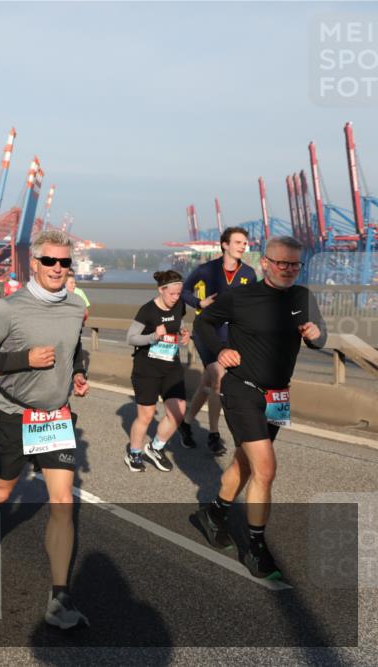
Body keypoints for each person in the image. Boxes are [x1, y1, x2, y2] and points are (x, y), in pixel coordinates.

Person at [0, 229, 90, 629]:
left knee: (63, 502)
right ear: (34, 263)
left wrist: (80, 372)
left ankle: (59, 599)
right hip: (15, 414)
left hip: (55, 416)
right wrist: (24, 359)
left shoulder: (74, 306)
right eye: (49, 261)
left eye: (64, 262)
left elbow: (74, 347)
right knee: (2, 490)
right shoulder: (9, 307)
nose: (57, 268)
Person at [193, 236, 325, 580]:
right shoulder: (240, 296)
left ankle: (214, 513)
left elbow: (320, 336)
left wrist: (314, 334)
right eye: (281, 263)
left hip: (278, 395)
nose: (288, 269)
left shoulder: (301, 297)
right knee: (265, 468)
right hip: (242, 391)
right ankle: (255, 547)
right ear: (265, 262)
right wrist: (220, 350)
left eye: (295, 264)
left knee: (247, 461)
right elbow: (202, 323)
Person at [178, 227, 257, 455]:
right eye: (238, 242)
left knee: (207, 384)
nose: (243, 246)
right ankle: (214, 435)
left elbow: (251, 303)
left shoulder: (249, 274)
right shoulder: (206, 270)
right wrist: (198, 303)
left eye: (245, 243)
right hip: (206, 332)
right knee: (219, 380)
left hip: (231, 335)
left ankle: (186, 423)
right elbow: (183, 290)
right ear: (225, 245)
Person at [124, 270, 191, 472]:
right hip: (147, 369)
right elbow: (131, 338)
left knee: (178, 412)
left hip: (171, 366)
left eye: (179, 294)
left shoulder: (179, 305)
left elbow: (180, 322)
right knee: (146, 415)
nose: (176, 298)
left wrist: (184, 332)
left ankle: (155, 447)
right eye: (172, 294)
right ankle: (134, 453)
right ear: (161, 290)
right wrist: (153, 335)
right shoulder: (147, 311)